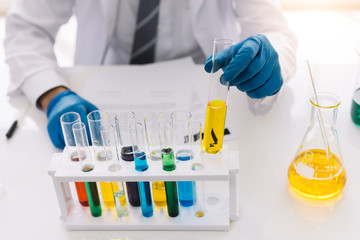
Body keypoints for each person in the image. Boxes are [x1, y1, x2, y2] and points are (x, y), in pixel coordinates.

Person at [5, 0, 297, 148]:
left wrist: (268, 60)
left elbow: (274, 30)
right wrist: (51, 94)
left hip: (204, 85)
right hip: (108, 84)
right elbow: (26, 29)